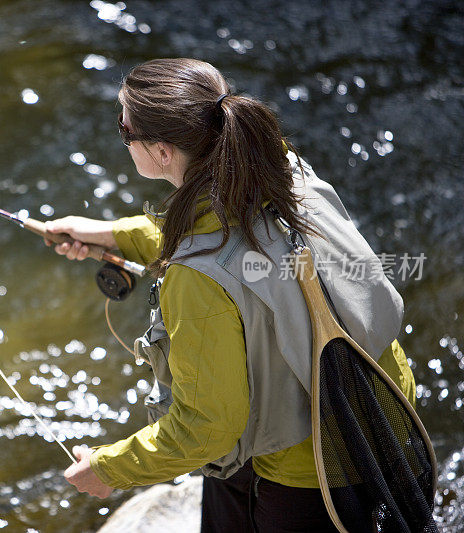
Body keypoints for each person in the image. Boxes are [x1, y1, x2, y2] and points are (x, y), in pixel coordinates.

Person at [47, 58, 417, 532]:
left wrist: (109, 469)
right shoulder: (276, 165)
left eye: (124, 128)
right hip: (386, 407)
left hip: (312, 474)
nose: (119, 135)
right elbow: (243, 253)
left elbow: (207, 429)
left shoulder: (194, 283)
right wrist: (112, 235)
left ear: (161, 151)